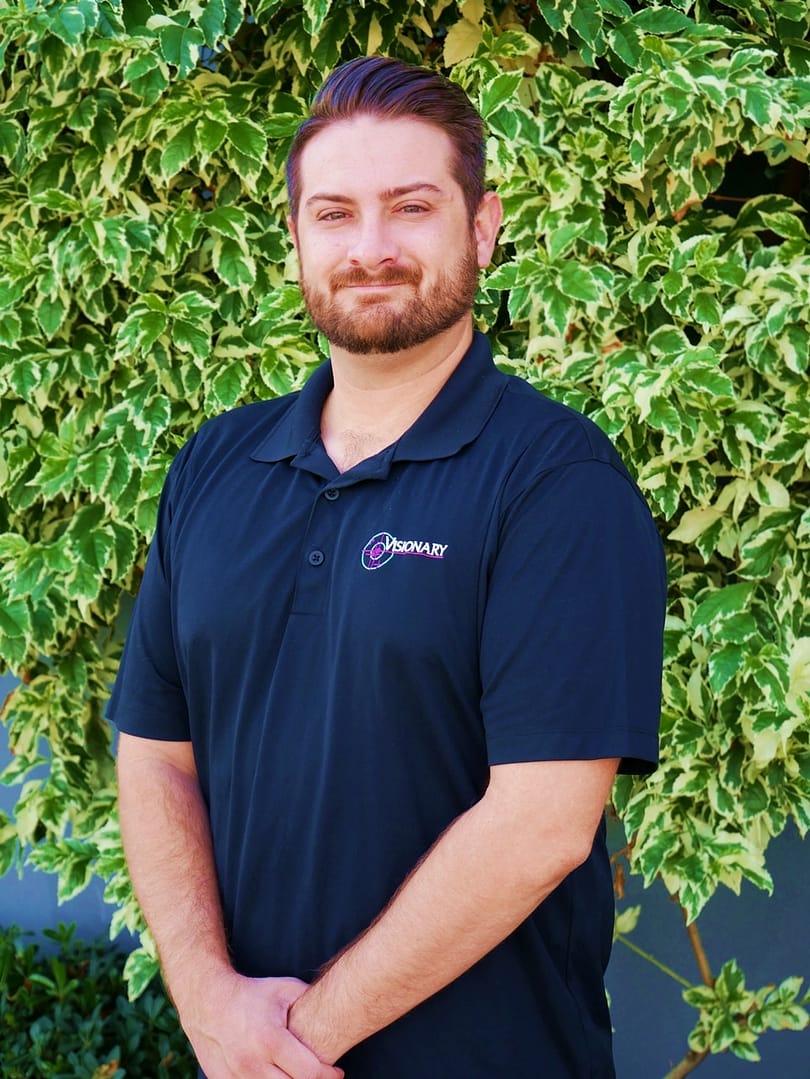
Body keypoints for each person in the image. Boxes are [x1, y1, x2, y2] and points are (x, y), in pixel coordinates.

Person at [110, 55, 666, 1079]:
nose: (370, 249)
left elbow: (542, 822)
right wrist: (208, 1001)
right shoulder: (215, 466)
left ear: (482, 225)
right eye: (334, 213)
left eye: (411, 207)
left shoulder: (556, 481)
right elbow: (155, 754)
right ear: (294, 238)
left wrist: (296, 1042)